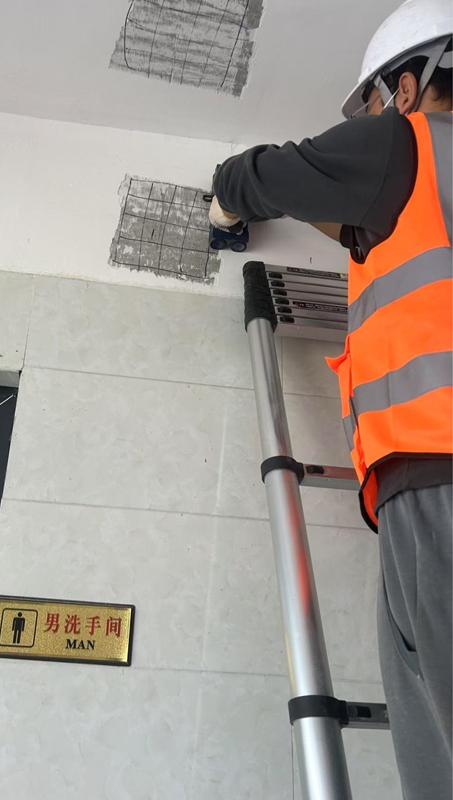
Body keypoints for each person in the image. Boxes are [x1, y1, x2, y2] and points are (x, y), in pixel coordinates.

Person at [209, 2, 452, 798]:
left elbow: (259, 175)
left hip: (439, 475)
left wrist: (224, 202)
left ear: (406, 87)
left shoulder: (402, 142)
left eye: (375, 102)